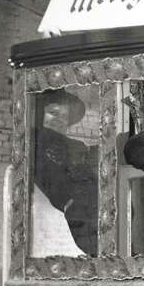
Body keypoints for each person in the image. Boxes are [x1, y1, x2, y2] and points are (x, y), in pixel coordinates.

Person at [32, 88, 98, 256]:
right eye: (53, 113)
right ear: (38, 114)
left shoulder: (74, 148)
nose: (59, 120)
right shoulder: (37, 142)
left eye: (64, 116)